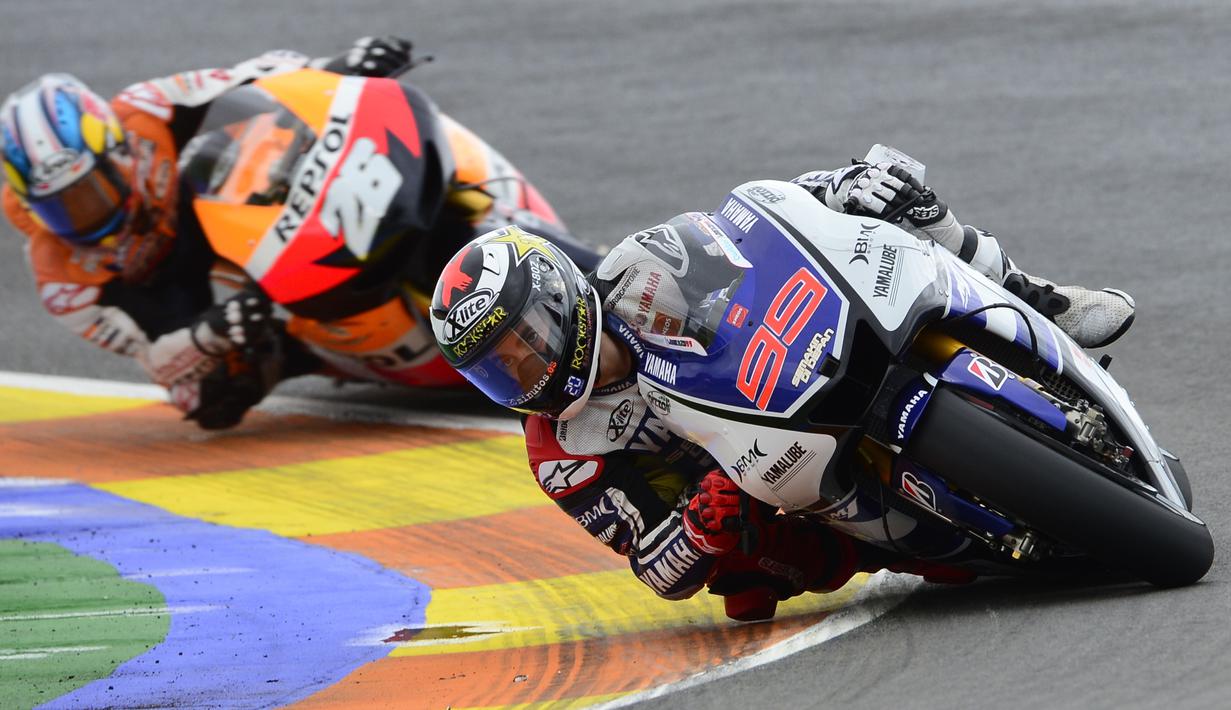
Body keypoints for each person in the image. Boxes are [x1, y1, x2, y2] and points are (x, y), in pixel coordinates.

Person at [427, 159, 1136, 620]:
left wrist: (839, 187)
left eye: (527, 340)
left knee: (896, 202)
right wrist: (700, 522)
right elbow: (654, 567)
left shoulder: (644, 262)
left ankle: (1034, 299)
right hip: (758, 481)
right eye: (502, 368)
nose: (528, 369)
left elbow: (762, 220)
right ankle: (909, 541)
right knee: (744, 577)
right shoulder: (562, 449)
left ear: (560, 297)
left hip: (783, 360)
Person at [1, 36, 580, 429]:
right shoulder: (62, 276)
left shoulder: (147, 107)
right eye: (60, 209)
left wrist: (340, 68)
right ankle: (306, 354)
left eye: (92, 189)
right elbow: (153, 357)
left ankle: (513, 235)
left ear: (117, 151)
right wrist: (208, 335)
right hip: (183, 295)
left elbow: (259, 75)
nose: (85, 217)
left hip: (243, 208)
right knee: (210, 399)